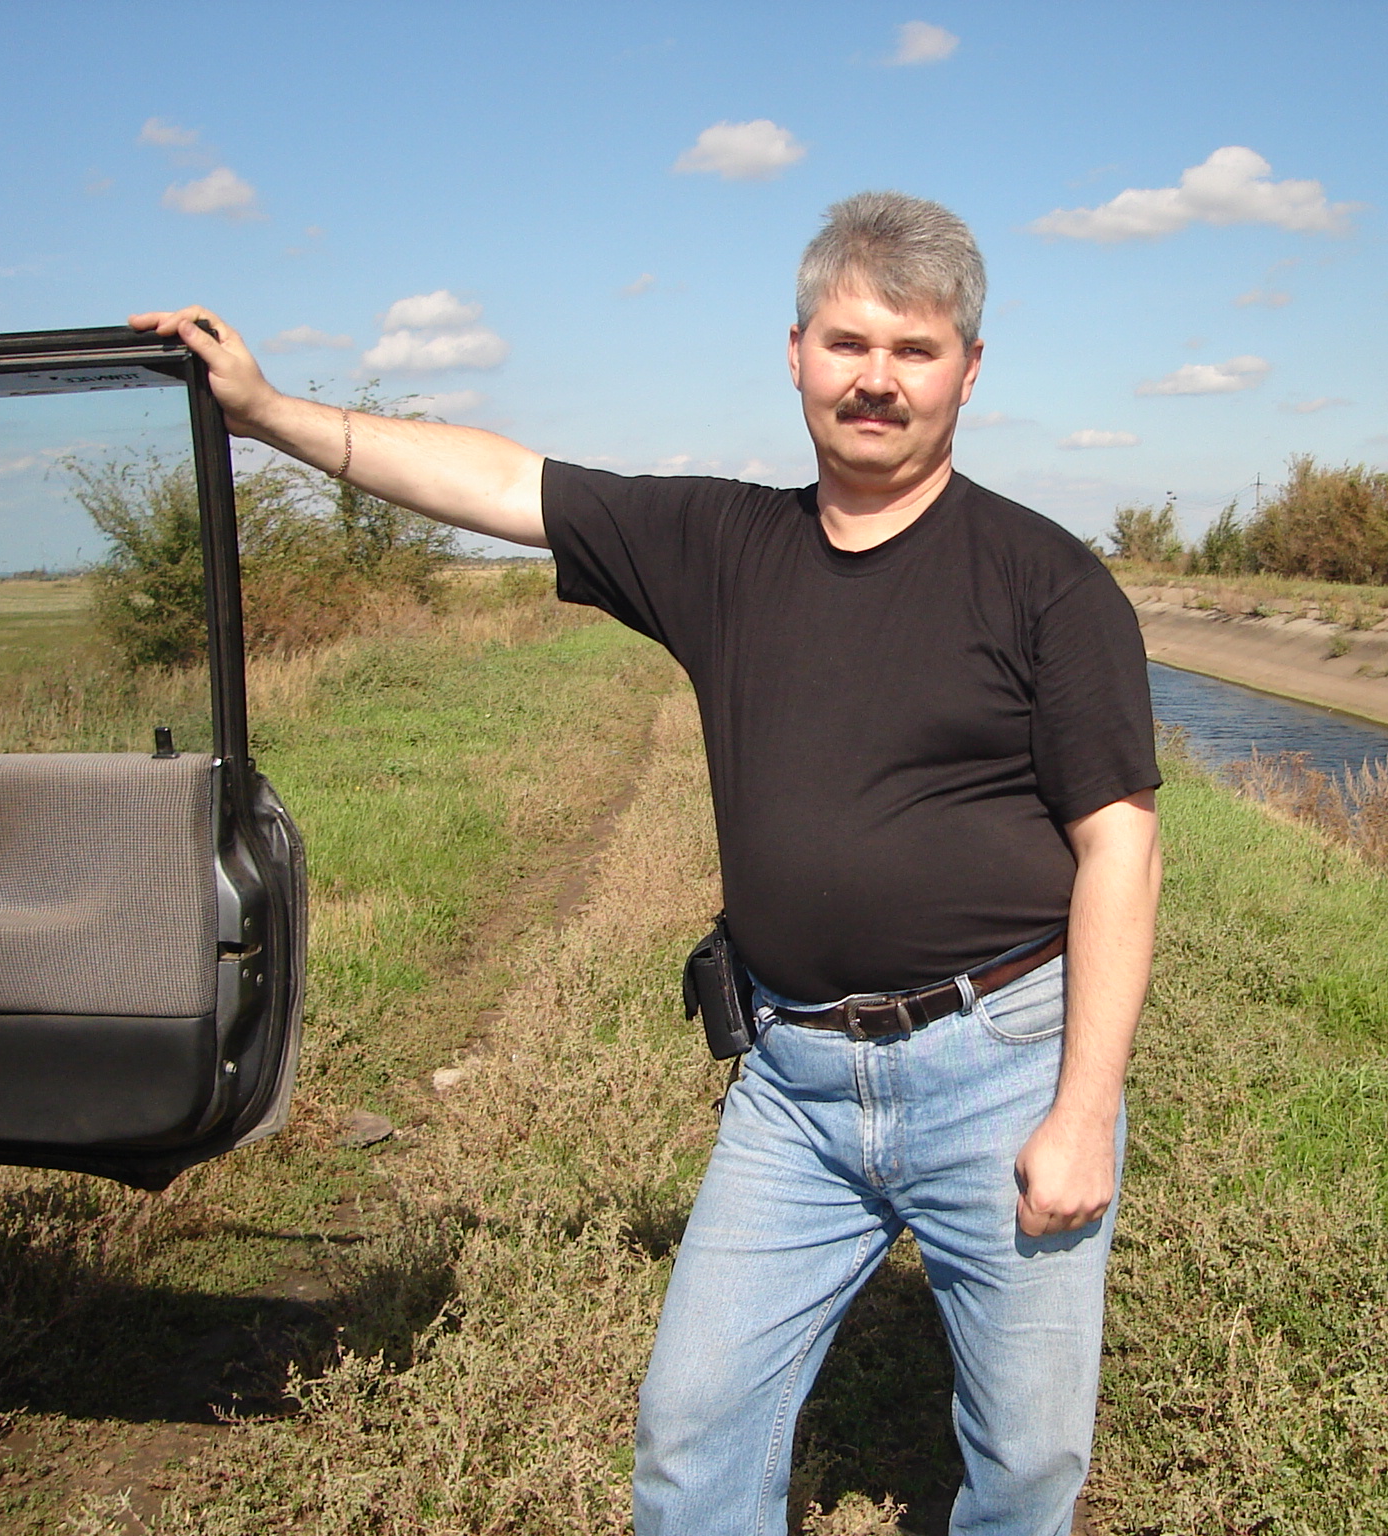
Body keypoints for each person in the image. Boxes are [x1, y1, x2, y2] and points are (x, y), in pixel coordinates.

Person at [133, 190, 1161, 1536]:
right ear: (795, 353)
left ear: (969, 370)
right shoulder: (722, 545)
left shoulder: (1047, 582)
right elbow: (502, 483)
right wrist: (271, 415)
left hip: (1000, 1068)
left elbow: (1121, 846)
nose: (878, 379)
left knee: (1024, 1462)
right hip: (793, 1087)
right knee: (690, 1443)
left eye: (915, 351)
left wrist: (1082, 1111)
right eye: (849, 343)